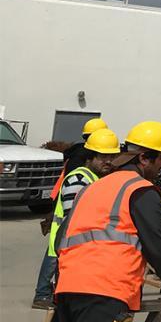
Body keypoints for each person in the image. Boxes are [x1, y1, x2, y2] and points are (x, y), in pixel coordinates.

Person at [55, 121, 161, 322]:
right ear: (144, 158)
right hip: (104, 292)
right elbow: (158, 243)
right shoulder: (140, 190)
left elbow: (60, 240)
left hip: (68, 288)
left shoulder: (93, 188)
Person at [40, 128, 120, 322]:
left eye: (111, 157)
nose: (108, 161)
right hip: (69, 253)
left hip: (79, 254)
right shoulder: (79, 178)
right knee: (61, 316)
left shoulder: (96, 179)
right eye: (103, 157)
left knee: (66, 315)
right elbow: (75, 220)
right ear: (90, 155)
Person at [34, 117, 109, 309]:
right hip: (66, 226)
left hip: (62, 212)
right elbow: (74, 200)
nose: (107, 160)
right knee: (54, 258)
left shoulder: (77, 155)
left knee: (54, 257)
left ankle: (48, 292)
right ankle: (43, 293)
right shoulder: (81, 165)